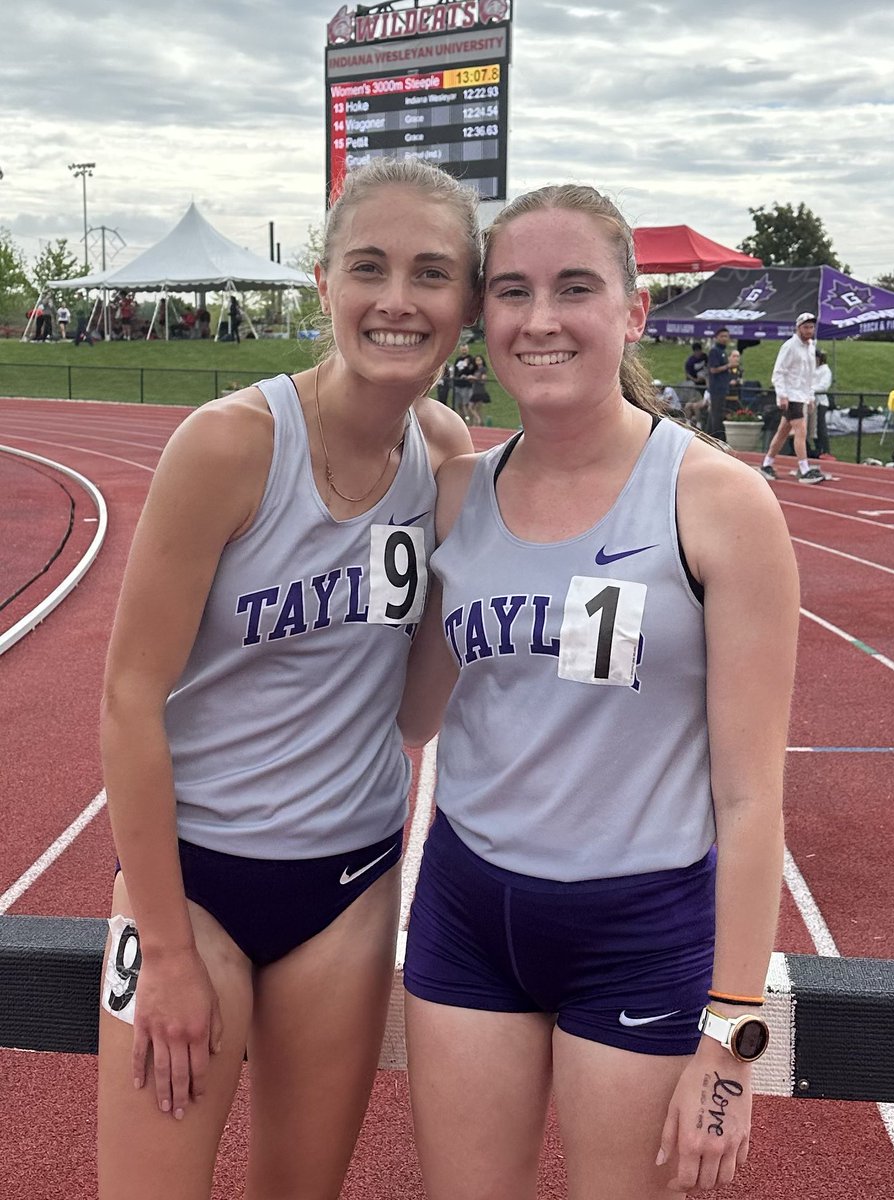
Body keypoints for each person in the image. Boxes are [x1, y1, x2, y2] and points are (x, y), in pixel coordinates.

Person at [399, 183, 796, 1200]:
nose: (540, 320)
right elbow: (414, 713)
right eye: (514, 291)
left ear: (632, 312)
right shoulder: (457, 495)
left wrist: (730, 1041)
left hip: (638, 932)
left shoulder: (718, 502)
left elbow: (752, 800)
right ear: (484, 319)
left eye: (575, 288)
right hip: (466, 908)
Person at [96, 157, 479, 1200]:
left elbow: (414, 711)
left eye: (432, 273)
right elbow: (129, 698)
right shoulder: (227, 446)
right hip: (193, 884)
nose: (398, 301)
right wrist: (166, 951)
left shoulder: (444, 454)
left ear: (466, 300)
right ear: (324, 284)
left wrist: (464, 589)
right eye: (370, 267)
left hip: (348, 887)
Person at [758, 313, 825, 483]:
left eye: (811, 327)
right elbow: (778, 372)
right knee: (801, 431)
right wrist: (782, 395)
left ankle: (767, 463)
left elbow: (810, 374)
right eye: (806, 327)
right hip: (791, 396)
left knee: (782, 432)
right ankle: (804, 469)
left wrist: (810, 397)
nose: (809, 330)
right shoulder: (789, 346)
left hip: (802, 396)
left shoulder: (811, 347)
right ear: (798, 328)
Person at [705, 327, 731, 439]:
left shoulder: (723, 351)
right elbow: (713, 369)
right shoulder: (715, 351)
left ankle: (708, 435)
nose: (725, 339)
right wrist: (728, 366)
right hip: (716, 388)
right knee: (717, 414)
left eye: (726, 336)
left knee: (715, 414)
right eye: (722, 336)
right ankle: (717, 437)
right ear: (716, 337)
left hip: (723, 387)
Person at [812, 349, 833, 457]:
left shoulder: (825, 370)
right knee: (812, 428)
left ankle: (825, 450)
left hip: (820, 402)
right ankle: (817, 449)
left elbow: (823, 386)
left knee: (821, 426)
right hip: (809, 401)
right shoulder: (811, 369)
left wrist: (810, 389)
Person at [452, 342, 476, 417]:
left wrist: (466, 366)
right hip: (458, 385)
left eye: (465, 349)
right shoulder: (458, 359)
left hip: (467, 385)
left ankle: (471, 423)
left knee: (467, 404)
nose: (464, 350)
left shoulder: (471, 359)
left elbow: (472, 370)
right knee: (459, 405)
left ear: (468, 349)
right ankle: (462, 421)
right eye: (462, 349)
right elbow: (456, 371)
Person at [468, 353, 491, 426]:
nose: (478, 361)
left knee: (472, 407)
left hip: (480, 390)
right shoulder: (476, 370)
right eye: (476, 360)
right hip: (475, 389)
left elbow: (483, 380)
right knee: (475, 408)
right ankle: (478, 422)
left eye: (479, 360)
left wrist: (474, 378)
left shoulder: (483, 369)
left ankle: (479, 420)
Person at [724, 349, 743, 415]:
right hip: (724, 399)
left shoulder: (739, 370)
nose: (736, 358)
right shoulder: (724, 369)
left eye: (738, 356)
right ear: (729, 358)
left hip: (735, 398)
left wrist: (737, 382)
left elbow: (740, 380)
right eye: (734, 356)